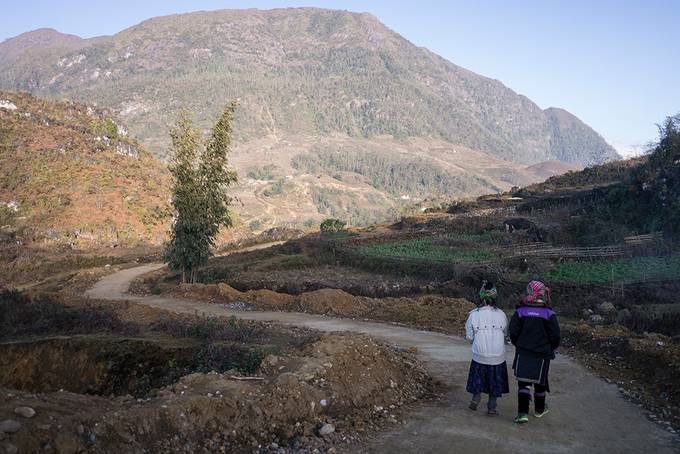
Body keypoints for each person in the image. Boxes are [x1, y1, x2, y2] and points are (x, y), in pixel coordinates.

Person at [509, 280, 560, 424]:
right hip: (542, 355)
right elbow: (555, 335)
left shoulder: (521, 311)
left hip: (523, 352)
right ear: (542, 293)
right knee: (540, 382)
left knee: (523, 383)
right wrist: (551, 348)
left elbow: (513, 332)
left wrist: (518, 344)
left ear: (529, 291)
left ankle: (522, 413)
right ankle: (539, 410)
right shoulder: (549, 313)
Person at [465, 281, 509, 416]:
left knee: (478, 377)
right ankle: (492, 406)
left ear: (481, 297)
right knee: (494, 380)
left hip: (479, 354)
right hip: (498, 356)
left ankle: (476, 398)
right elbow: (506, 333)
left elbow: (469, 336)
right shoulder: (502, 314)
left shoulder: (474, 315)